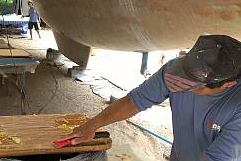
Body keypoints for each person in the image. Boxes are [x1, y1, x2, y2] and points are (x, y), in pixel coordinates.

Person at [57, 35, 241, 160]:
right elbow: (134, 101)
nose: (181, 85)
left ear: (227, 84)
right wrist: (93, 124)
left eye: (192, 85)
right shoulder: (177, 71)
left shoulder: (237, 105)